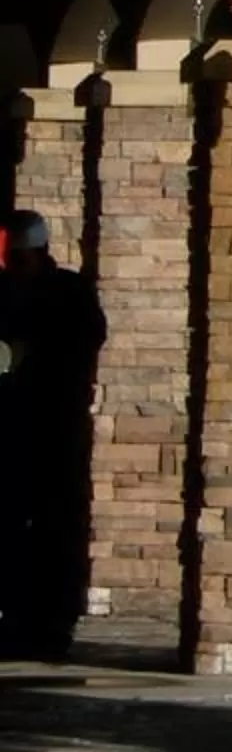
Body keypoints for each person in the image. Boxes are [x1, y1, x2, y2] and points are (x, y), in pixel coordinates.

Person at [0, 209, 107, 661]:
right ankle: (16, 618)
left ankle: (50, 624)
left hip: (53, 427)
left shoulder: (69, 293)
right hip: (10, 427)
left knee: (55, 527)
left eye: (19, 259)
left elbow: (85, 343)